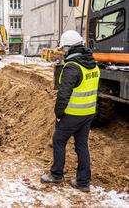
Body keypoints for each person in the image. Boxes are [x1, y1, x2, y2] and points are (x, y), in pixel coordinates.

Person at [40, 30, 100, 192]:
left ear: (71, 48)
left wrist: (59, 115)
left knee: (59, 141)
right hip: (88, 113)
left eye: (65, 49)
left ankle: (56, 174)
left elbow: (63, 96)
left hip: (72, 114)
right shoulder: (93, 65)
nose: (63, 52)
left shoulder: (72, 67)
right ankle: (83, 182)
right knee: (82, 145)